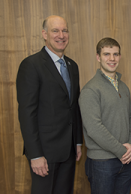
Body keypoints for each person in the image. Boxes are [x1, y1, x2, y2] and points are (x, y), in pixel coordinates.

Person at [16, 15, 83, 194]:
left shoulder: (72, 66)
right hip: (44, 152)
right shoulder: (31, 65)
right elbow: (26, 112)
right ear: (45, 34)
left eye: (65, 30)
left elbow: (74, 107)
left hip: (68, 150)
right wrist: (36, 154)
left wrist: (77, 142)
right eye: (55, 31)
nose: (61, 35)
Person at [79, 37, 131, 194]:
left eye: (116, 54)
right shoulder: (90, 90)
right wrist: (121, 150)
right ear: (98, 57)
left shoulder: (123, 87)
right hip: (102, 163)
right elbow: (94, 128)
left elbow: (130, 118)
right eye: (106, 54)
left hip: (125, 160)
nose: (112, 59)